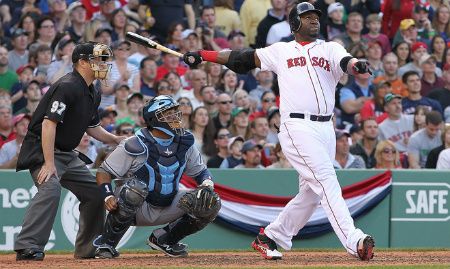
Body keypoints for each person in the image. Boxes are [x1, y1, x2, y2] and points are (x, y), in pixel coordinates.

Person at [182, 2, 374, 261]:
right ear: (295, 23)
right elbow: (241, 58)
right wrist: (204, 55)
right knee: (327, 179)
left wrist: (356, 65)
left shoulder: (330, 47)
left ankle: (269, 237)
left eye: (315, 16)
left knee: (310, 194)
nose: (313, 20)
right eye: (306, 17)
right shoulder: (281, 50)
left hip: (326, 127)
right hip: (297, 126)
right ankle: (355, 240)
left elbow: (346, 61)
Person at [14, 42, 124, 261]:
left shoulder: (93, 89)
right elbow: (48, 124)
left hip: (66, 153)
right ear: (82, 62)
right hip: (42, 149)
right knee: (51, 187)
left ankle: (88, 249)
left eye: (105, 59)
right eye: (98, 60)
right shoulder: (67, 85)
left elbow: (91, 126)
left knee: (95, 193)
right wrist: (48, 163)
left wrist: (115, 139)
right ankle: (28, 247)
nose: (104, 64)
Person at [92, 95, 220, 258]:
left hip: (169, 203)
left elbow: (201, 172)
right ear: (154, 119)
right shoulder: (135, 143)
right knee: (136, 189)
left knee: (210, 201)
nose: (175, 116)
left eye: (175, 111)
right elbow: (104, 172)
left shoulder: (184, 142)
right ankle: (107, 244)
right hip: (136, 207)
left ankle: (165, 240)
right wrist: (107, 195)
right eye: (168, 113)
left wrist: (207, 183)